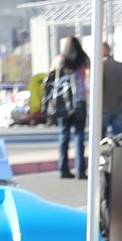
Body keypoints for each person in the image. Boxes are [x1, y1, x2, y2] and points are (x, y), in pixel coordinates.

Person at [50, 37, 91, 179]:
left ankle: (63, 169)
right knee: (79, 135)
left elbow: (51, 75)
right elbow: (90, 74)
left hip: (63, 102)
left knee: (63, 135)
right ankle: (81, 170)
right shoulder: (84, 60)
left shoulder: (59, 60)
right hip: (79, 100)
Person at [98, 42, 122, 139]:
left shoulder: (98, 67)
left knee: (99, 136)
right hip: (119, 104)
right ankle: (118, 153)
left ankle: (101, 153)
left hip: (102, 106)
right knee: (119, 136)